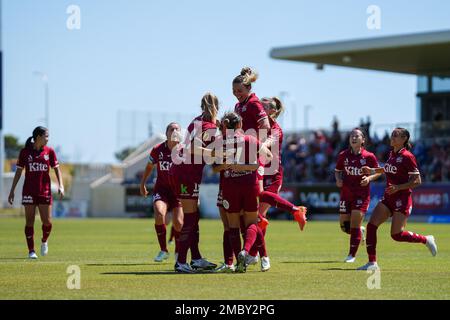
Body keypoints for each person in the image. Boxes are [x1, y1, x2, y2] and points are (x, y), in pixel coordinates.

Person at [357, 128, 438, 270]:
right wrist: (372, 170)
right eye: (392, 135)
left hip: (402, 199)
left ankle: (426, 239)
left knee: (397, 235)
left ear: (404, 139)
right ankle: (372, 263)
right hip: (389, 198)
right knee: (371, 226)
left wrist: (399, 187)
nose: (392, 137)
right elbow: (388, 169)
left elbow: (417, 180)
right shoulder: (392, 154)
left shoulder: (407, 156)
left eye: (396, 135)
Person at [246, 97, 307, 271]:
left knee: (259, 215)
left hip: (272, 173)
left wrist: (252, 143)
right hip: (258, 169)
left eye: (264, 105)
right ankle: (256, 254)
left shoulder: (276, 130)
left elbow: (266, 144)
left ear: (272, 111)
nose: (260, 107)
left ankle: (259, 255)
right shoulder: (255, 124)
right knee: (259, 218)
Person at [169, 92, 220, 273]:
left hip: (184, 170)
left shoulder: (198, 121)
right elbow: (192, 148)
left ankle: (196, 258)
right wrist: (216, 154)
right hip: (186, 172)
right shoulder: (208, 126)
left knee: (194, 215)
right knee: (190, 217)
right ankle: (181, 261)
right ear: (217, 107)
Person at [218, 112, 273, 273]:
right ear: (240, 125)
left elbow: (214, 167)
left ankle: (238, 262)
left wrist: (230, 165)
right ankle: (246, 251)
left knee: (233, 226)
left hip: (229, 187)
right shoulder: (250, 139)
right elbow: (268, 157)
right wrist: (249, 166)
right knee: (252, 223)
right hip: (249, 185)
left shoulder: (221, 142)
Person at [8, 126, 64, 259]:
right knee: (29, 221)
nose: (48, 139)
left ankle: (44, 240)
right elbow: (18, 172)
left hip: (44, 191)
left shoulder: (49, 152)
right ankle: (31, 251)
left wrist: (61, 185)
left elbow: (57, 169)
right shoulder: (25, 152)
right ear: (38, 137)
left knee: (47, 222)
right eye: (46, 136)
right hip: (29, 191)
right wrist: (12, 190)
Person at [335, 128, 381, 263]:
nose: (353, 138)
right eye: (351, 136)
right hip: (346, 193)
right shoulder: (343, 155)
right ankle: (359, 233)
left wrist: (369, 179)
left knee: (355, 223)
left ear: (363, 140)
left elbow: (378, 171)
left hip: (361, 194)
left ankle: (351, 255)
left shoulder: (369, 156)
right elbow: (337, 170)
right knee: (345, 227)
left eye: (357, 136)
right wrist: (338, 179)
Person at [140, 122, 183, 262]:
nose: (175, 131)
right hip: (162, 190)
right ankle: (163, 250)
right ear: (167, 133)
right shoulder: (158, 149)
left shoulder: (184, 151)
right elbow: (149, 167)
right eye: (172, 129)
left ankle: (178, 252)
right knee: (159, 214)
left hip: (178, 191)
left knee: (178, 222)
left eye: (177, 129)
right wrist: (143, 183)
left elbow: (192, 173)